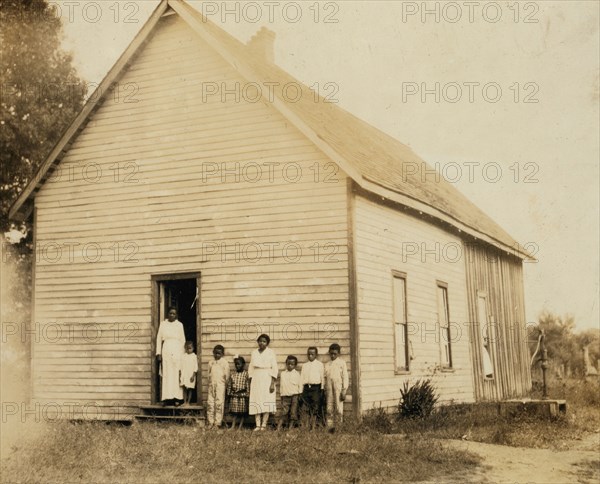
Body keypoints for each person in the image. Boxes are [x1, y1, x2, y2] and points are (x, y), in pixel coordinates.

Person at [156, 307, 185, 406]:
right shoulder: (163, 324)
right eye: (170, 313)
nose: (172, 315)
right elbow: (159, 338)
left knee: (176, 373)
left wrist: (183, 355)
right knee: (167, 373)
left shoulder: (179, 325)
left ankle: (177, 398)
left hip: (177, 350)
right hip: (167, 350)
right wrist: (158, 353)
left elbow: (182, 340)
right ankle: (166, 398)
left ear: (176, 315)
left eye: (174, 314)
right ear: (167, 314)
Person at [248, 334, 278, 431]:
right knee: (257, 399)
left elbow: (274, 367)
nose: (262, 343)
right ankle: (257, 424)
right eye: (260, 341)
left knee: (266, 400)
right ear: (258, 342)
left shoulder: (270, 352)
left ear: (267, 343)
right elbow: (251, 367)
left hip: (267, 377)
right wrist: (250, 380)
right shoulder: (254, 352)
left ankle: (264, 424)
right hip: (256, 377)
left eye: (264, 341)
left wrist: (272, 383)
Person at [325, 343, 349, 430]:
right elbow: (325, 377)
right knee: (329, 406)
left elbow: (345, 377)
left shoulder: (342, 363)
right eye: (331, 353)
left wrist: (344, 390)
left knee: (339, 406)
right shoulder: (327, 364)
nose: (332, 355)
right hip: (329, 387)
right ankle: (330, 427)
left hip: (338, 387)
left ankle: (339, 426)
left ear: (338, 353)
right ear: (329, 353)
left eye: (335, 354)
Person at [300, 346, 324, 430]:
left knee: (315, 407)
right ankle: (306, 426)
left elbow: (322, 378)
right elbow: (302, 378)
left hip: (316, 388)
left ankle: (313, 426)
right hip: (306, 388)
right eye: (309, 354)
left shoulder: (319, 365)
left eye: (312, 354)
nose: (310, 356)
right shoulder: (305, 365)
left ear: (316, 355)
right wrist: (301, 390)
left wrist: (322, 388)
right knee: (306, 406)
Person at [207, 344, 230, 429]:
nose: (217, 355)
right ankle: (210, 422)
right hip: (211, 385)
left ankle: (217, 423)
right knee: (210, 403)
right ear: (213, 353)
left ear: (222, 354)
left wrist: (225, 386)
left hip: (221, 385)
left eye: (219, 353)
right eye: (215, 353)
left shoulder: (224, 363)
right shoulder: (211, 362)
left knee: (219, 403)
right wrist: (210, 384)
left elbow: (227, 376)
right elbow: (208, 375)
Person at [277, 355, 301, 430]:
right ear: (286, 364)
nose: (290, 366)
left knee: (293, 412)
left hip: (294, 396)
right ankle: (278, 427)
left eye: (292, 364)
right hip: (285, 396)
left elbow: (300, 385)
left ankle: (290, 428)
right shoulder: (283, 374)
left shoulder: (297, 374)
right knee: (284, 412)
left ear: (295, 365)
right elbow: (281, 385)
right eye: (288, 364)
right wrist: (281, 395)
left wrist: (299, 395)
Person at [226, 355, 250, 430]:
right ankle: (233, 426)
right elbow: (230, 384)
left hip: (243, 395)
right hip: (235, 395)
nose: (237, 366)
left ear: (243, 364)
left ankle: (240, 426)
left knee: (243, 412)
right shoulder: (233, 374)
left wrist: (248, 394)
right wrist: (229, 393)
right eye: (236, 364)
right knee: (235, 412)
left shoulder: (246, 374)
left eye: (239, 364)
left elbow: (247, 385)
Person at [180, 341, 198, 406]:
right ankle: (184, 402)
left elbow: (195, 367)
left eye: (190, 348)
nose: (188, 350)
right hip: (184, 374)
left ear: (193, 348)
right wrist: (180, 375)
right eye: (187, 348)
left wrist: (193, 375)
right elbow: (181, 366)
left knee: (190, 388)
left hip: (190, 375)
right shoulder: (184, 356)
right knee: (184, 388)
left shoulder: (194, 356)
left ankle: (188, 402)